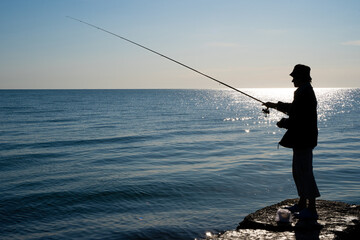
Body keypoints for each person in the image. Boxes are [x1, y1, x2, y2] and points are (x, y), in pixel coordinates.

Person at [264, 64, 320, 220]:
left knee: (305, 173)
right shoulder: (303, 91)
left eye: (294, 77)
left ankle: (312, 209)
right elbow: (295, 110)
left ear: (301, 77)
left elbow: (301, 118)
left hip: (304, 139)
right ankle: (302, 203)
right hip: (302, 139)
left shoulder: (305, 92)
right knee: (298, 172)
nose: (292, 80)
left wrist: (284, 123)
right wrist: (274, 105)